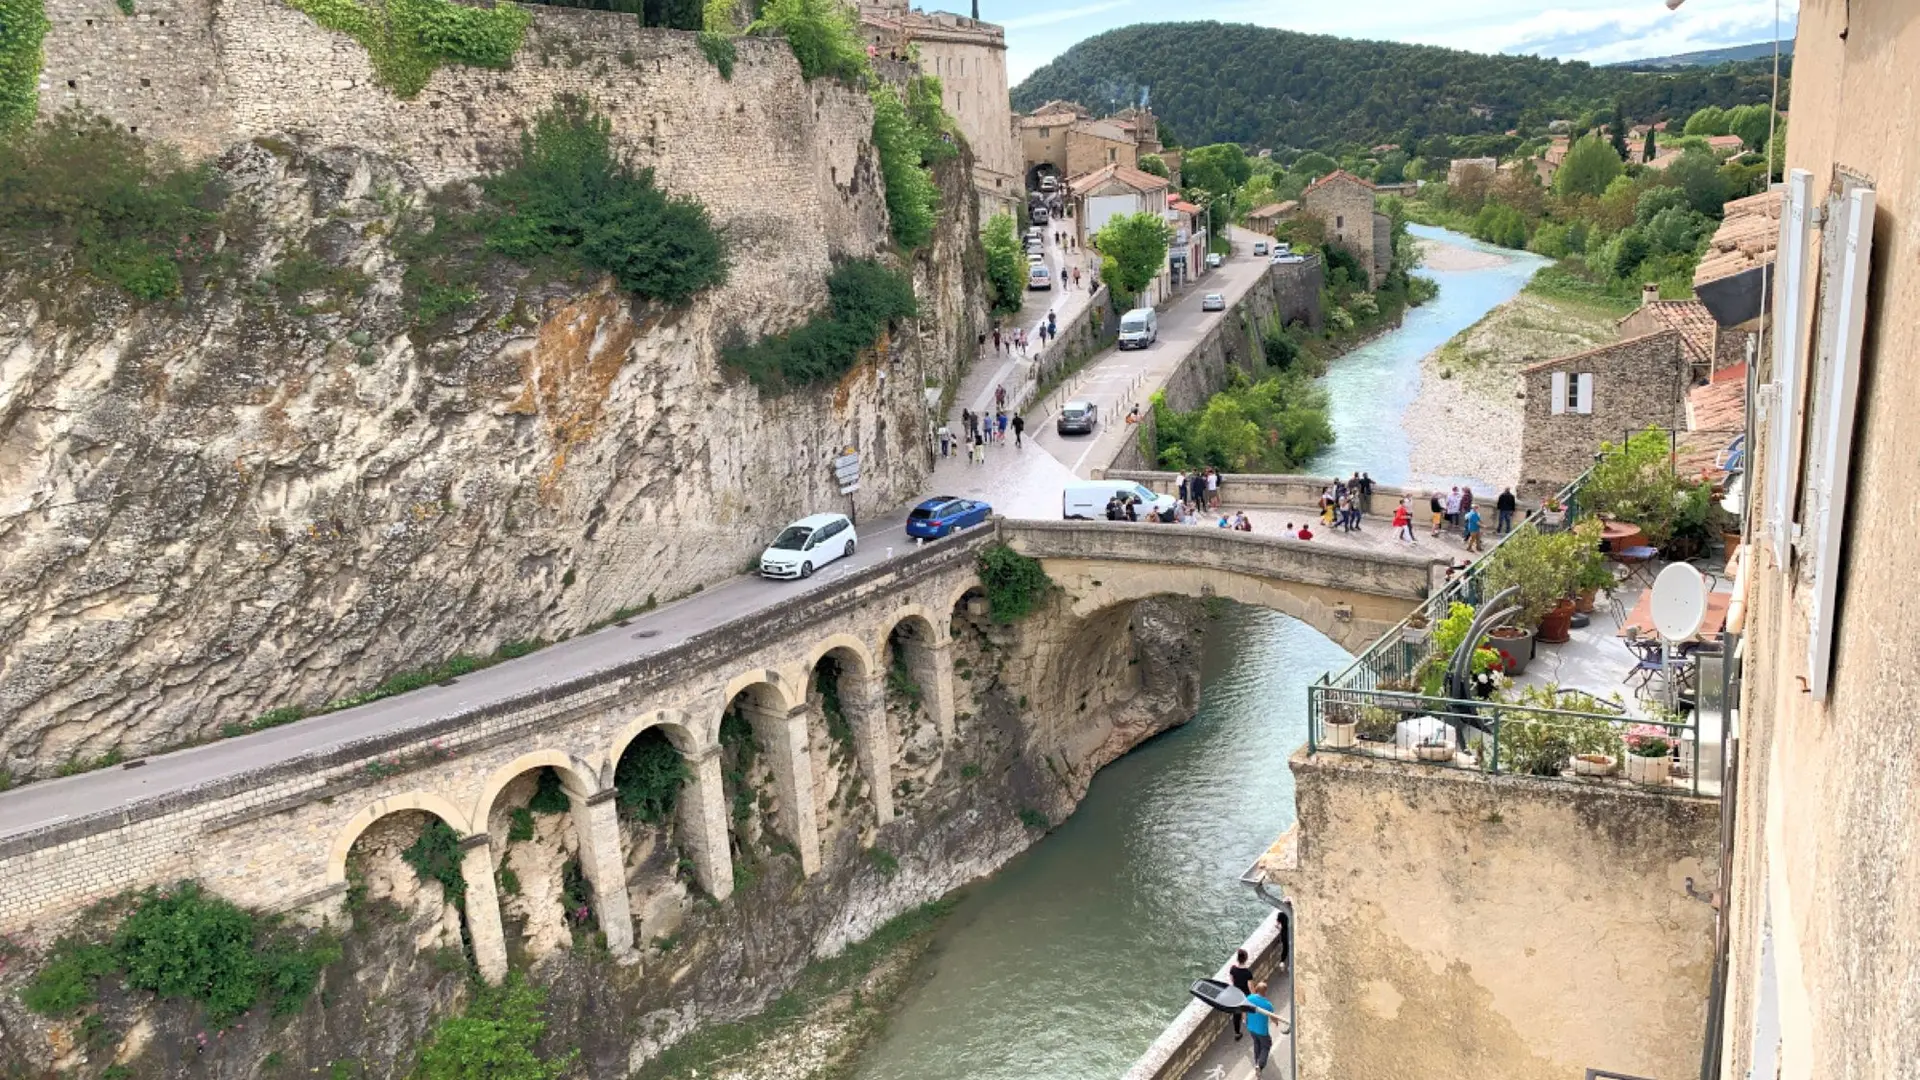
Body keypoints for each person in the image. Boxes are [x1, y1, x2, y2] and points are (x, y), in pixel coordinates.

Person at [1245, 979, 1277, 1073]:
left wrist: (1245, 1020)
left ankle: (1256, 1062)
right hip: (1262, 1030)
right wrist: (1276, 1022)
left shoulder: (1250, 998)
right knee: (1266, 1045)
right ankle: (1260, 1065)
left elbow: (1244, 1009)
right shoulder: (1268, 1005)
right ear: (1265, 992)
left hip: (1251, 1027)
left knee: (1256, 1043)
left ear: (1256, 989)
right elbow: (1272, 1017)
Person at [1228, 949, 1254, 1040]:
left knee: (1236, 1014)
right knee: (1245, 1009)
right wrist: (1254, 997)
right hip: (1244, 994)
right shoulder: (1248, 973)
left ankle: (1237, 1033)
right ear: (1246, 959)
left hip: (1236, 994)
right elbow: (1250, 987)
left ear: (1237, 958)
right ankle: (1246, 1021)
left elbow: (1232, 980)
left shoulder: (1233, 969)